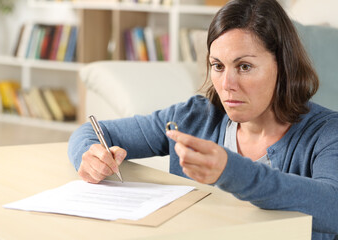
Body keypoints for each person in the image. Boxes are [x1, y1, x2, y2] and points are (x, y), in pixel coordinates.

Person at [68, 0, 338, 239]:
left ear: (284, 66)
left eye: (244, 66)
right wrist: (90, 157)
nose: (227, 84)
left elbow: (333, 206)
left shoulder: (327, 132)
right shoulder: (194, 117)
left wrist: (230, 171)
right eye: (218, 66)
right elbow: (93, 131)